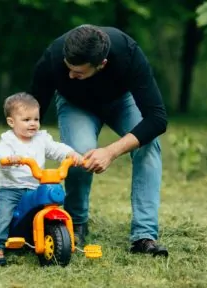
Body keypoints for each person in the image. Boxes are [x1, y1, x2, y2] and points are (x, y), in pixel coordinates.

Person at [29, 24, 168, 257]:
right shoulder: (54, 56)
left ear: (101, 65)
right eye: (68, 68)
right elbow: (31, 114)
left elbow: (157, 118)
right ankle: (77, 223)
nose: (70, 75)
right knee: (80, 152)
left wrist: (111, 151)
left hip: (121, 101)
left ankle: (144, 236)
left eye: (78, 72)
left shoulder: (128, 53)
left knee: (148, 145)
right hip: (76, 105)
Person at [0, 92, 83, 266]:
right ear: (11, 122)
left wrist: (71, 154)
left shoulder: (41, 138)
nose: (33, 124)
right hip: (11, 188)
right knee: (3, 214)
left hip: (34, 187)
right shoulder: (8, 140)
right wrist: (9, 158)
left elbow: (56, 149)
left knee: (39, 211)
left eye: (36, 119)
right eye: (26, 120)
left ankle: (41, 236)